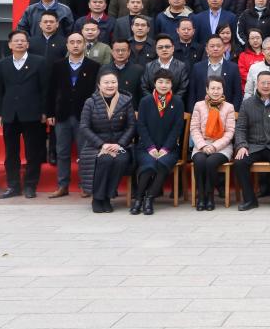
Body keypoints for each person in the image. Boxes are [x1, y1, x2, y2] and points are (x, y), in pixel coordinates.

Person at [0, 30, 50, 200]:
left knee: (33, 152)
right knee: (11, 153)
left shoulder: (39, 62)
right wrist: (0, 113)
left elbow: (45, 89)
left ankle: (30, 185)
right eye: (16, 41)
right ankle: (13, 186)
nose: (19, 43)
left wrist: (45, 111)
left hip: (33, 114)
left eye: (22, 40)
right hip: (10, 114)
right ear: (10, 45)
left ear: (27, 44)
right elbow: (0, 91)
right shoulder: (3, 64)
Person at [45, 33, 100, 198]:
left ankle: (85, 186)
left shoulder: (94, 66)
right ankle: (63, 185)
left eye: (79, 42)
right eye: (72, 42)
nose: (75, 45)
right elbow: (51, 90)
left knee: (85, 153)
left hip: (85, 116)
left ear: (84, 45)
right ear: (67, 45)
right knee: (62, 152)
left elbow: (97, 93)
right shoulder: (58, 65)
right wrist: (50, 113)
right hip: (62, 115)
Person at [233, 71, 270, 211]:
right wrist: (241, 146)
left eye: (269, 83)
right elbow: (240, 129)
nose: (266, 86)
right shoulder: (247, 104)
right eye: (263, 83)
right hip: (253, 146)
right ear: (257, 84)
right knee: (240, 161)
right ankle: (250, 200)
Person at [77, 72, 136, 212]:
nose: (110, 85)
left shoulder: (126, 101)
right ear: (99, 85)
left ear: (118, 83)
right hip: (96, 145)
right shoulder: (90, 102)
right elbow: (84, 127)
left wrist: (119, 144)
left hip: (120, 145)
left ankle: (107, 197)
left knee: (121, 160)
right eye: (106, 82)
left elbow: (131, 126)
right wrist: (102, 144)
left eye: (113, 82)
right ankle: (98, 198)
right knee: (105, 159)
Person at [132, 69, 184, 215]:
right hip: (146, 147)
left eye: (167, 82)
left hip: (169, 148)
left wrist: (166, 148)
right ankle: (138, 199)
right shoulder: (146, 101)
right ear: (154, 83)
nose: (163, 85)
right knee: (149, 165)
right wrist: (150, 147)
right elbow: (141, 125)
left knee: (161, 164)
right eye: (160, 82)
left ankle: (149, 199)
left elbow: (177, 127)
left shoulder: (177, 102)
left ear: (171, 84)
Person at [189, 75, 236, 211]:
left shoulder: (229, 107)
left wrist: (214, 146)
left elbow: (230, 132)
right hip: (201, 145)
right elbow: (194, 128)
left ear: (223, 90)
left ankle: (209, 196)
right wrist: (203, 145)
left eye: (218, 88)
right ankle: (201, 196)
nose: (216, 91)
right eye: (213, 88)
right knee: (199, 161)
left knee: (211, 162)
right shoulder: (199, 105)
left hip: (222, 147)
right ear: (207, 90)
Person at [141, 35, 190, 103]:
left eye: (167, 47)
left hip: (174, 104)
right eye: (160, 47)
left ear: (173, 48)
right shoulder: (149, 66)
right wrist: (155, 102)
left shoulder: (181, 66)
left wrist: (171, 102)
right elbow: (144, 87)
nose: (164, 49)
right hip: (153, 104)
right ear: (156, 50)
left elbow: (183, 88)